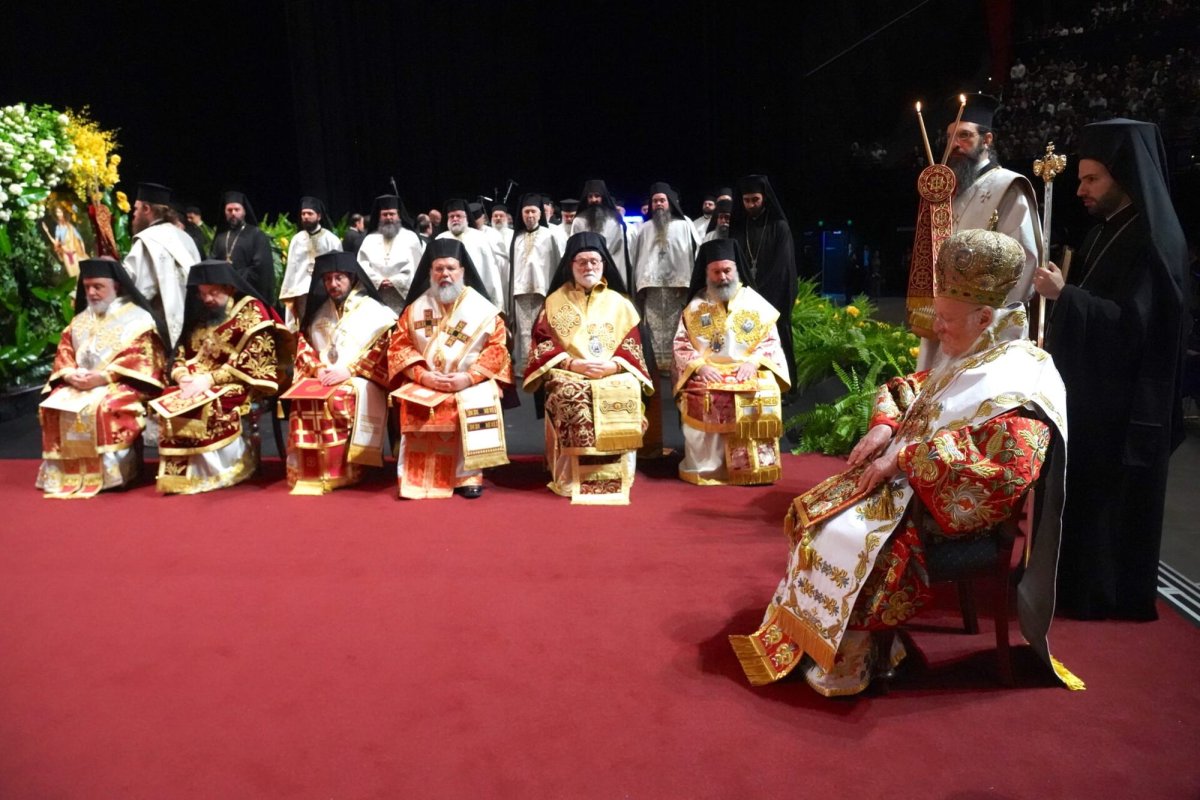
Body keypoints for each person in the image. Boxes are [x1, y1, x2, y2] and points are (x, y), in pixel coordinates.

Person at [731, 229, 1073, 696]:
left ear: (986, 316)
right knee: (817, 512)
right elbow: (912, 388)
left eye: (948, 319)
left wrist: (906, 460)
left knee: (847, 533)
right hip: (907, 483)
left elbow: (1011, 463)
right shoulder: (975, 347)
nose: (938, 329)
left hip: (943, 506)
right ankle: (855, 646)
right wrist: (885, 426)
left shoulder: (1021, 372)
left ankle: (854, 660)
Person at [1034, 118, 1189, 620]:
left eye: (1091, 179)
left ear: (1123, 176)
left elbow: (1133, 326)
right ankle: (1073, 584)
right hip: (1093, 393)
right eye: (1079, 179)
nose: (1080, 189)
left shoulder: (1149, 240)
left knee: (1108, 504)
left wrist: (1066, 297)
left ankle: (1103, 595)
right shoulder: (1108, 229)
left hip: (1124, 403)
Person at [523, 232, 654, 504]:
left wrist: (614, 366)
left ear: (604, 264)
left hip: (612, 371)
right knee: (571, 393)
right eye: (581, 262)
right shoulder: (554, 302)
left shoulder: (621, 303)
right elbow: (543, 344)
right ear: (570, 266)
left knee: (625, 389)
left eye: (594, 261)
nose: (588, 268)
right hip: (570, 372)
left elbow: (634, 344)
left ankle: (619, 473)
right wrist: (572, 363)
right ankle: (572, 477)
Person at [388, 239, 512, 499]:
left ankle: (468, 475)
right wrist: (423, 375)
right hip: (425, 382)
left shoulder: (484, 311)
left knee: (469, 401)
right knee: (417, 404)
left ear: (462, 271)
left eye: (451, 268)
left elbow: (498, 349)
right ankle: (419, 474)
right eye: (438, 269)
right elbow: (399, 347)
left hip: (469, 382)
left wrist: (468, 377)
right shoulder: (414, 310)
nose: (445, 274)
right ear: (430, 272)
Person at [36, 258, 168, 498]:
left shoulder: (138, 319)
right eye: (87, 287)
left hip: (120, 382)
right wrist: (69, 374)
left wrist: (105, 377)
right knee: (52, 405)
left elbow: (144, 356)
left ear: (116, 286)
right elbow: (65, 350)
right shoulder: (81, 319)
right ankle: (67, 474)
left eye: (98, 286)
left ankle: (110, 474)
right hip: (80, 382)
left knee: (104, 407)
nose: (92, 292)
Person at [154, 260, 288, 494]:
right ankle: (184, 475)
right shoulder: (202, 312)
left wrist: (210, 380)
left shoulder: (252, 311)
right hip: (195, 379)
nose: (207, 299)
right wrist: (181, 374)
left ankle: (220, 470)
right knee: (171, 396)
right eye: (203, 293)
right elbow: (183, 350)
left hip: (239, 381)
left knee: (210, 404)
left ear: (229, 288)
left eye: (213, 293)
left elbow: (254, 362)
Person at [673, 239, 790, 485]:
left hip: (747, 370)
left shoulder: (755, 303)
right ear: (707, 273)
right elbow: (681, 345)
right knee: (701, 392)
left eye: (727, 270)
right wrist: (700, 366)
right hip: (709, 372)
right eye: (716, 271)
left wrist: (754, 363)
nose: (723, 277)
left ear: (736, 270)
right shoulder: (695, 307)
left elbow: (771, 342)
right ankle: (709, 469)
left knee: (760, 390)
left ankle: (754, 468)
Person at [287, 251, 397, 494]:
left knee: (336, 398)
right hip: (323, 375)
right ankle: (309, 470)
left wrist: (349, 370)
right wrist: (316, 368)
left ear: (352, 279)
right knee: (302, 398)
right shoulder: (319, 312)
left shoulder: (375, 311)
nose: (333, 285)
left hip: (360, 378)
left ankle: (347, 469)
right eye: (327, 279)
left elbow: (384, 349)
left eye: (339, 278)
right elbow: (304, 345)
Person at [730, 175, 797, 385]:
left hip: (773, 297)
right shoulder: (739, 227)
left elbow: (783, 267)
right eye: (746, 200)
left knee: (779, 340)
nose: (751, 205)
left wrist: (762, 294)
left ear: (764, 198)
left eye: (755, 200)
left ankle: (786, 386)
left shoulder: (779, 226)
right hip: (745, 296)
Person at [122, 182, 201, 348]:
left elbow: (135, 290)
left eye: (136, 209)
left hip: (156, 331)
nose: (134, 215)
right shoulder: (186, 239)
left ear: (147, 209)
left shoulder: (146, 241)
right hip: (191, 325)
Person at [630, 182, 699, 365]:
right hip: (651, 288)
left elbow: (693, 254)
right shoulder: (644, 228)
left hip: (678, 289)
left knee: (677, 329)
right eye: (655, 201)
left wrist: (687, 283)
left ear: (669, 202)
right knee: (652, 330)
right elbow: (638, 258)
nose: (658, 204)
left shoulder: (685, 224)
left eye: (662, 200)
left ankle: (677, 368)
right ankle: (656, 372)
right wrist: (640, 285)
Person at [507, 192, 564, 376]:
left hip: (544, 290)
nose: (530, 216)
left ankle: (544, 364)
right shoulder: (516, 237)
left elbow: (557, 263)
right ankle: (526, 367)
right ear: (521, 214)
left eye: (533, 212)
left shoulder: (549, 235)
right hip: (520, 291)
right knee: (523, 331)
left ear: (540, 214)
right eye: (526, 212)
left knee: (544, 328)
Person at [279, 195, 342, 331]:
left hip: (325, 293)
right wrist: (289, 291)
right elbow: (291, 268)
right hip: (301, 292)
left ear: (319, 216)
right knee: (304, 327)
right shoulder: (297, 240)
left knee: (326, 328)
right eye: (303, 214)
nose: (306, 217)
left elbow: (338, 268)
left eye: (310, 213)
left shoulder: (331, 239)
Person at [356, 194, 425, 314]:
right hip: (376, 299)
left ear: (398, 215)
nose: (388, 217)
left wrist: (396, 281)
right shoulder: (369, 240)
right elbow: (362, 266)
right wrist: (378, 281)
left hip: (404, 300)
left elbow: (418, 268)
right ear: (379, 216)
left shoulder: (411, 238)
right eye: (384, 214)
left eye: (392, 214)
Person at [210, 190, 275, 304]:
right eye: (229, 210)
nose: (233, 213)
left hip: (248, 295)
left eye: (237, 209)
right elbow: (212, 263)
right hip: (223, 296)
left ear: (244, 211)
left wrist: (233, 279)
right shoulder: (220, 238)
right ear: (224, 212)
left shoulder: (256, 235)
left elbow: (261, 269)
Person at [436, 198, 504, 307]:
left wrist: (496, 302)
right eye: (451, 216)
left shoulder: (480, 238)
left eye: (458, 216)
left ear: (466, 217)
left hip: (477, 297)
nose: (455, 219)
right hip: (449, 297)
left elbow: (490, 272)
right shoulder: (440, 239)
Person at [570, 179, 631, 288]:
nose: (594, 199)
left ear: (603, 197)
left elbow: (619, 249)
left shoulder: (615, 220)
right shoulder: (579, 221)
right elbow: (575, 249)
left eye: (597, 196)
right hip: (587, 271)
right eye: (590, 196)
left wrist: (603, 262)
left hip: (612, 269)